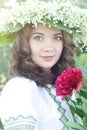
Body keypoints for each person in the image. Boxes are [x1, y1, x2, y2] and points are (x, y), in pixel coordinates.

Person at [0, 1, 87, 130]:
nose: (49, 48)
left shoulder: (65, 90)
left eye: (57, 38)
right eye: (38, 38)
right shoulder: (20, 87)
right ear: (24, 43)